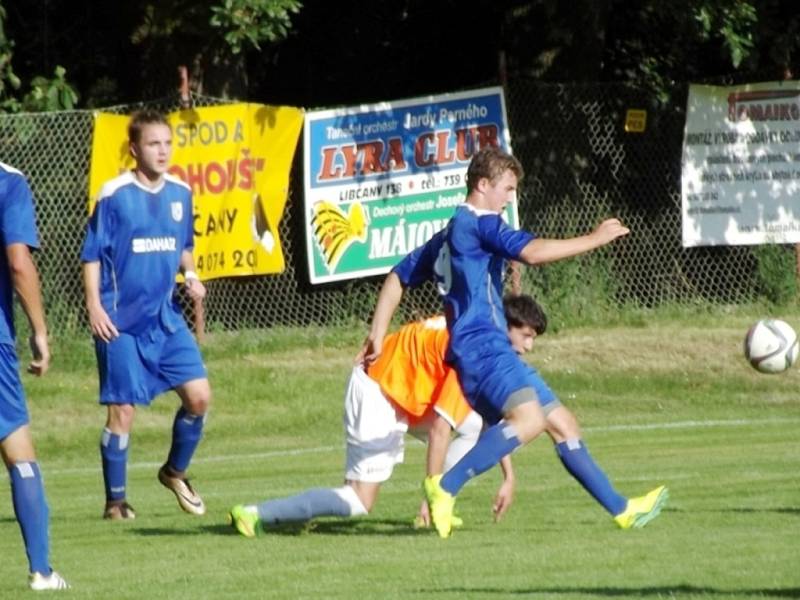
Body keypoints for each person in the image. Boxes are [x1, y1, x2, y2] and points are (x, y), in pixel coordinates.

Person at [360, 146, 667, 537]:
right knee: (530, 419)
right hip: (481, 347)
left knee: (562, 423)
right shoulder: (479, 223)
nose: (510, 197)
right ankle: (444, 488)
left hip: (487, 349)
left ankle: (622, 509)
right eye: (506, 188)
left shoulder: (450, 233)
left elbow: (396, 277)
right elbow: (533, 253)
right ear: (482, 184)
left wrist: (377, 336)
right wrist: (594, 238)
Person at [227, 309, 527, 538]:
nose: (528, 347)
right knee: (359, 500)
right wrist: (435, 493)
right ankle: (255, 514)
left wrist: (509, 477)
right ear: (506, 328)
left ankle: (432, 506)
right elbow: (439, 429)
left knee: (472, 425)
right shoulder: (471, 351)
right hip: (378, 390)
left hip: (398, 390)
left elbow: (490, 417)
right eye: (525, 335)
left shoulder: (473, 327)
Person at [80, 109, 211, 520]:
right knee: (122, 411)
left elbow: (184, 245)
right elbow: (91, 254)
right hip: (120, 322)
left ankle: (174, 472)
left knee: (199, 397)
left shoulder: (180, 193)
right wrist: (94, 305)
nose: (162, 151)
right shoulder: (114, 194)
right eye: (154, 144)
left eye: (167, 143)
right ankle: (116, 503)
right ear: (134, 149)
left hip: (165, 319)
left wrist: (190, 274)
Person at [1, 162, 69, 590]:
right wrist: (40, 331)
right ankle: (41, 570)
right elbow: (19, 261)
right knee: (18, 448)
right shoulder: (8, 181)